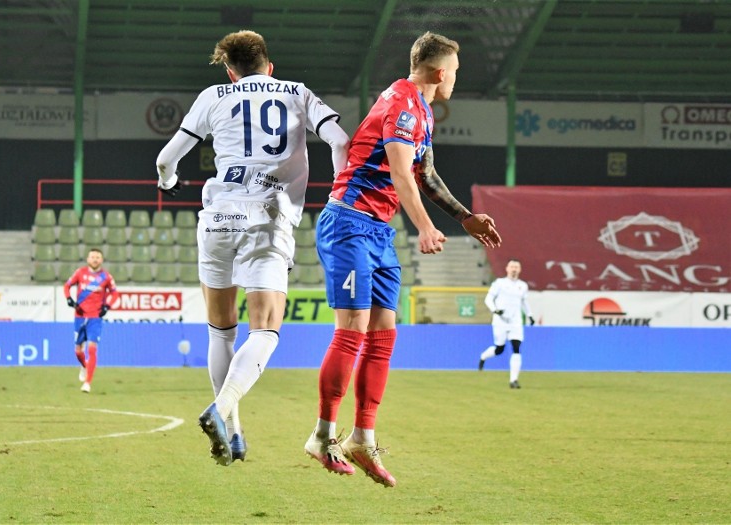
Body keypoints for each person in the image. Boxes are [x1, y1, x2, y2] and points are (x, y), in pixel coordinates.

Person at [303, 32, 502, 487]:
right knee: (351, 329)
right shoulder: (401, 103)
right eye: (455, 70)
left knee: (383, 334)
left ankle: (362, 438)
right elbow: (398, 170)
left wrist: (464, 217)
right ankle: (322, 435)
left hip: (377, 230)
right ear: (439, 72)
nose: (456, 77)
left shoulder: (422, 110)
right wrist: (426, 227)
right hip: (349, 221)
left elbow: (425, 172)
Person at [154, 30, 350, 466]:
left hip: (218, 217)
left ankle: (236, 433)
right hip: (268, 219)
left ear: (230, 69)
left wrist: (169, 184)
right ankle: (219, 412)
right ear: (269, 65)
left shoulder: (214, 95)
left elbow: (166, 160)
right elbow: (340, 141)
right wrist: (340, 194)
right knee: (264, 330)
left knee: (220, 330)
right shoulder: (297, 93)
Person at [63, 248, 119, 393]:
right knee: (78, 351)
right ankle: (84, 366)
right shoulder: (80, 273)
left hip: (95, 317)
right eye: (92, 257)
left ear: (102, 260)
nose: (95, 259)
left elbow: (114, 293)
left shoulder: (106, 277)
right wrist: (69, 298)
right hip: (80, 316)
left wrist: (107, 306)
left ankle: (88, 383)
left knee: (92, 348)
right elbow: (67, 285)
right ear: (88, 259)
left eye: (98, 257)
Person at [478, 258, 534, 389]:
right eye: (512, 267)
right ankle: (483, 357)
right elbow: (488, 299)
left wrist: (530, 315)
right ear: (507, 269)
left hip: (515, 321)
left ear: (519, 270)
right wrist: (495, 310)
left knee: (516, 348)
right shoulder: (499, 283)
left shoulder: (523, 286)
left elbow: (524, 302)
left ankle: (513, 380)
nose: (514, 269)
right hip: (500, 321)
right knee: (499, 349)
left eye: (516, 267)